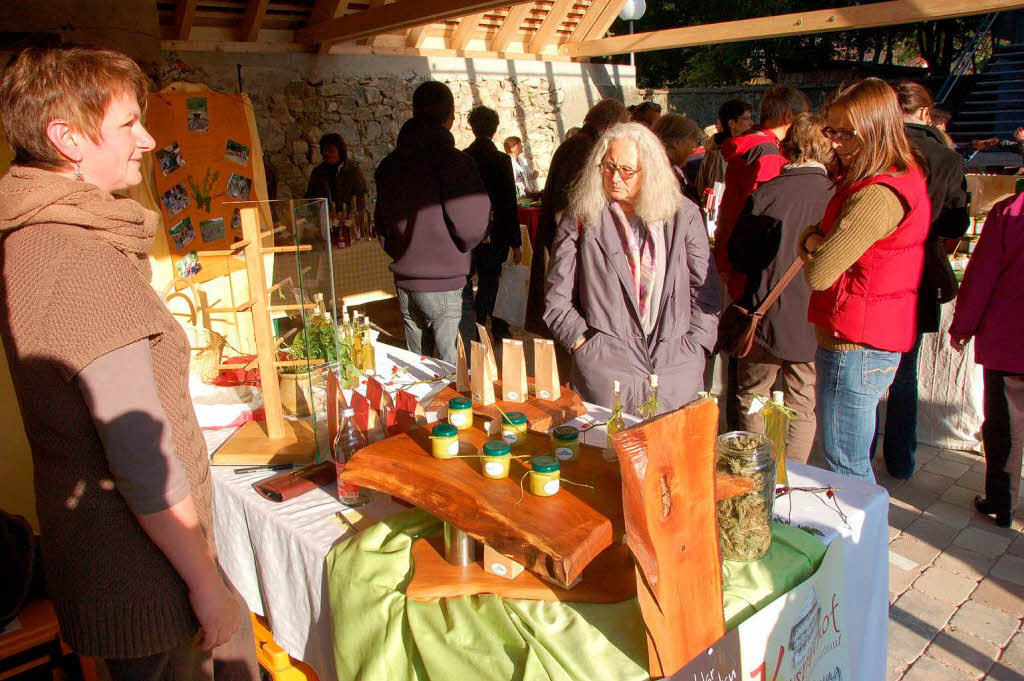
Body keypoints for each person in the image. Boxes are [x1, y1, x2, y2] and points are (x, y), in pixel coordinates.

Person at [0, 47, 258, 679]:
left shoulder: (33, 238)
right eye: (127, 124)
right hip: (150, 577)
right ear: (67, 139)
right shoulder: (76, 259)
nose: (146, 140)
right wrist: (206, 584)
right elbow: (142, 457)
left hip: (115, 562)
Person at [799, 78, 930, 482]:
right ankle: (859, 541)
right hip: (861, 335)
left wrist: (809, 244)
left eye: (843, 132)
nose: (834, 141)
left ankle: (859, 544)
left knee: (846, 465)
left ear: (873, 129)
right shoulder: (885, 177)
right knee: (847, 458)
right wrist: (813, 239)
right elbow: (818, 240)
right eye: (830, 130)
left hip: (855, 343)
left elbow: (819, 274)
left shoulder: (877, 194)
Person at [543, 122, 720, 412]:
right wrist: (584, 343)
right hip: (605, 373)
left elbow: (705, 291)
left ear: (649, 171)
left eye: (627, 170)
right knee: (606, 453)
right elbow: (556, 297)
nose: (615, 178)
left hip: (676, 370)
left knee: (668, 454)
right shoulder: (583, 215)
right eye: (608, 166)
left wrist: (696, 346)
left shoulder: (684, 215)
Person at [727, 113, 835, 465]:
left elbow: (739, 256)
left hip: (766, 315)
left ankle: (755, 470)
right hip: (815, 317)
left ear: (788, 148)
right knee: (802, 403)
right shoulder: (839, 197)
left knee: (753, 394)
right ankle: (795, 475)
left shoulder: (767, 194)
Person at [876, 82, 969, 479]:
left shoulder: (882, 150)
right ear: (927, 114)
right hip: (918, 269)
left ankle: (860, 458)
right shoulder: (945, 157)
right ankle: (900, 461)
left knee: (866, 366)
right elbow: (957, 219)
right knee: (904, 370)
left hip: (876, 266)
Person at [375, 81, 490, 365]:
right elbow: (471, 227)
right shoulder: (454, 163)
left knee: (419, 372)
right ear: (450, 114)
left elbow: (382, 225)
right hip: (446, 282)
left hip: (406, 281)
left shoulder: (389, 165)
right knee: (460, 377)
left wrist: (406, 253)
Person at [949, 192, 1024, 528]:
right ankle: (1001, 501)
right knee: (1004, 426)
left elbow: (981, 276)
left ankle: (1002, 502)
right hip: (1010, 338)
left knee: (1005, 427)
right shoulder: (1007, 212)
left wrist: (963, 326)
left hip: (1011, 339)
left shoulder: (1009, 212)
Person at [524, 98, 628, 335]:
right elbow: (568, 210)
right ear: (611, 125)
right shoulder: (585, 149)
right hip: (568, 244)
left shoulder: (577, 144)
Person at [717, 85, 810, 302]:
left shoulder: (750, 144)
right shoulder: (768, 153)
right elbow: (764, 218)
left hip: (734, 252)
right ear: (789, 116)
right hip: (751, 266)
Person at [464, 106, 523, 342]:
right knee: (492, 280)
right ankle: (491, 326)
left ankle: (477, 325)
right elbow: (509, 203)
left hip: (467, 228)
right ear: (495, 128)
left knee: (473, 281)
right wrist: (516, 242)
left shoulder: (464, 157)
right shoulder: (500, 160)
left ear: (471, 126)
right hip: (496, 230)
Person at [696, 99, 754, 199]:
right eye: (746, 119)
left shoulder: (732, 150)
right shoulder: (720, 156)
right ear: (732, 123)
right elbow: (717, 195)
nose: (751, 123)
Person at [305, 132, 368, 214]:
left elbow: (361, 197)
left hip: (348, 218)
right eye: (324, 150)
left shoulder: (353, 171)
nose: (327, 153)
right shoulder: (318, 173)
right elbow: (311, 199)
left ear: (340, 151)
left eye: (331, 150)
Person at [652, 113, 703, 205]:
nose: (692, 150)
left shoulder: (668, 170)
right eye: (692, 143)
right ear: (677, 143)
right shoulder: (660, 175)